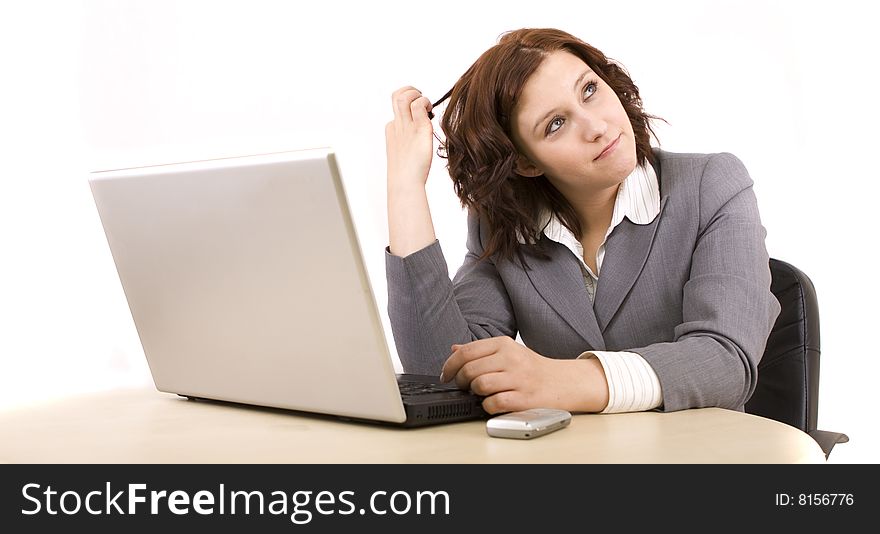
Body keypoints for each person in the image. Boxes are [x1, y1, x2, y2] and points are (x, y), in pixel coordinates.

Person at [383, 28, 781, 415]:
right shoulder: (504, 228)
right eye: (555, 124)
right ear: (525, 162)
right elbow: (442, 377)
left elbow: (726, 361)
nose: (597, 127)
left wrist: (565, 380)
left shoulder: (710, 184)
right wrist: (406, 187)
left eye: (589, 90)